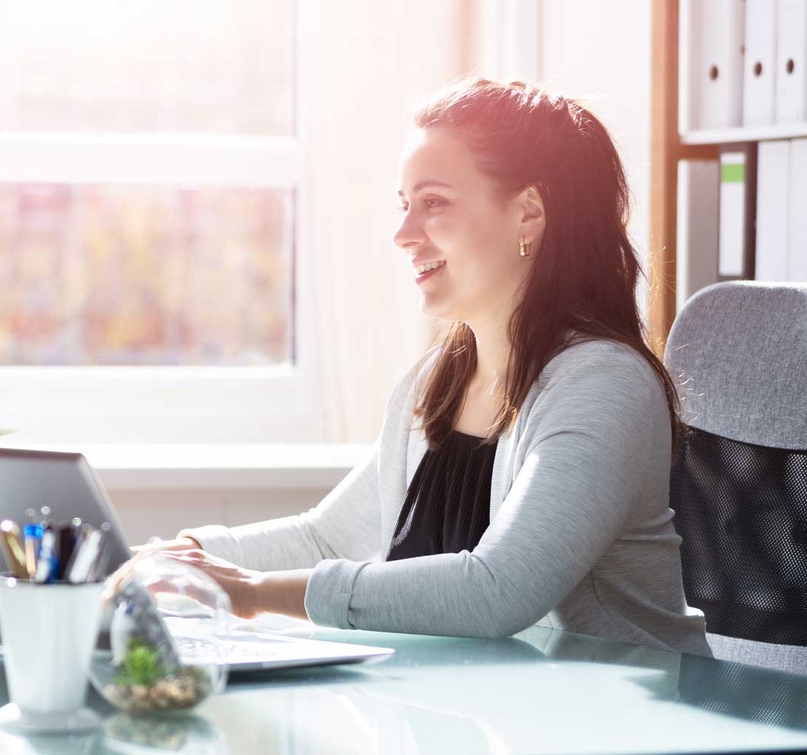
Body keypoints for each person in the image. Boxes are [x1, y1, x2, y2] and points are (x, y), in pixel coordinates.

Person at [109, 77, 710, 656]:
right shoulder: (439, 381)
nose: (402, 233)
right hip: (484, 718)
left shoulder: (603, 384)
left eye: (433, 203)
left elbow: (499, 590)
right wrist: (181, 555)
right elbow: (327, 538)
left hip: (619, 723)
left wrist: (246, 594)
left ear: (528, 213)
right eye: (404, 205)